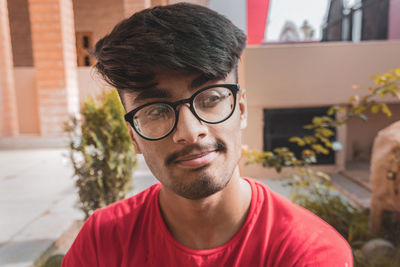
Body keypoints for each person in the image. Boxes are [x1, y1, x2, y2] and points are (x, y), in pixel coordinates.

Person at [63, 3, 353, 266]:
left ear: (241, 109)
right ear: (134, 136)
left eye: (211, 98)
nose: (189, 133)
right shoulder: (101, 244)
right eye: (156, 110)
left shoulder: (309, 252)